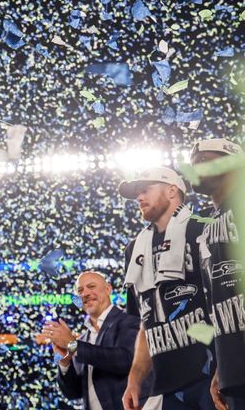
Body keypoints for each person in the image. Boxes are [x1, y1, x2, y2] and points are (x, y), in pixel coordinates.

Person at [118, 167, 215, 410]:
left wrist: (227, 364)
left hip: (209, 372)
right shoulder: (134, 250)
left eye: (145, 190)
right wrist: (135, 377)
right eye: (136, 193)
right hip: (167, 384)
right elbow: (145, 321)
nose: (139, 198)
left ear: (172, 190)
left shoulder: (202, 229)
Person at [190, 138, 245, 410]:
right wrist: (220, 366)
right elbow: (218, 300)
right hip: (233, 368)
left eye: (203, 160)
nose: (194, 168)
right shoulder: (208, 226)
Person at [41, 271, 140, 410]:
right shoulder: (82, 339)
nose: (85, 293)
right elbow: (73, 393)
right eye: (80, 290)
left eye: (91, 286)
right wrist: (64, 362)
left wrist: (72, 345)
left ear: (108, 288)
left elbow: (125, 361)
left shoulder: (129, 321)